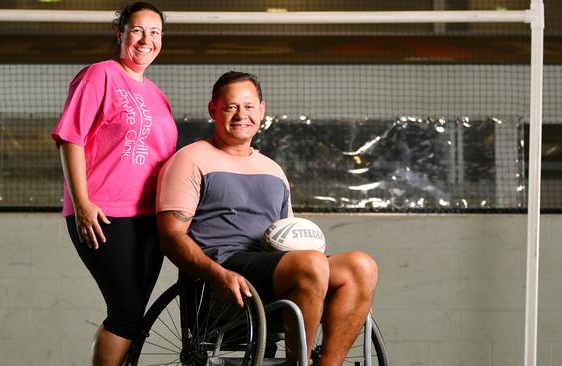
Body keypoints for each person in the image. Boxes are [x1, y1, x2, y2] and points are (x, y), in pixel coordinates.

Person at [156, 71, 378, 365]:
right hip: (222, 277)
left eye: (249, 107)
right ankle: (298, 363)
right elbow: (171, 238)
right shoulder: (190, 160)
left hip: (273, 272)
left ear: (261, 109)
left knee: (361, 266)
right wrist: (217, 275)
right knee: (310, 263)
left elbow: (288, 240)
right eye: (231, 106)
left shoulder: (273, 170)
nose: (241, 115)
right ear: (213, 110)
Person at [51, 2, 177, 365]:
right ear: (120, 33)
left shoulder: (158, 97)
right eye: (137, 29)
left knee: (133, 316)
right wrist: (82, 203)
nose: (146, 40)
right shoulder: (100, 74)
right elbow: (70, 138)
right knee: (124, 312)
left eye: (155, 33)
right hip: (104, 214)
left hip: (149, 220)